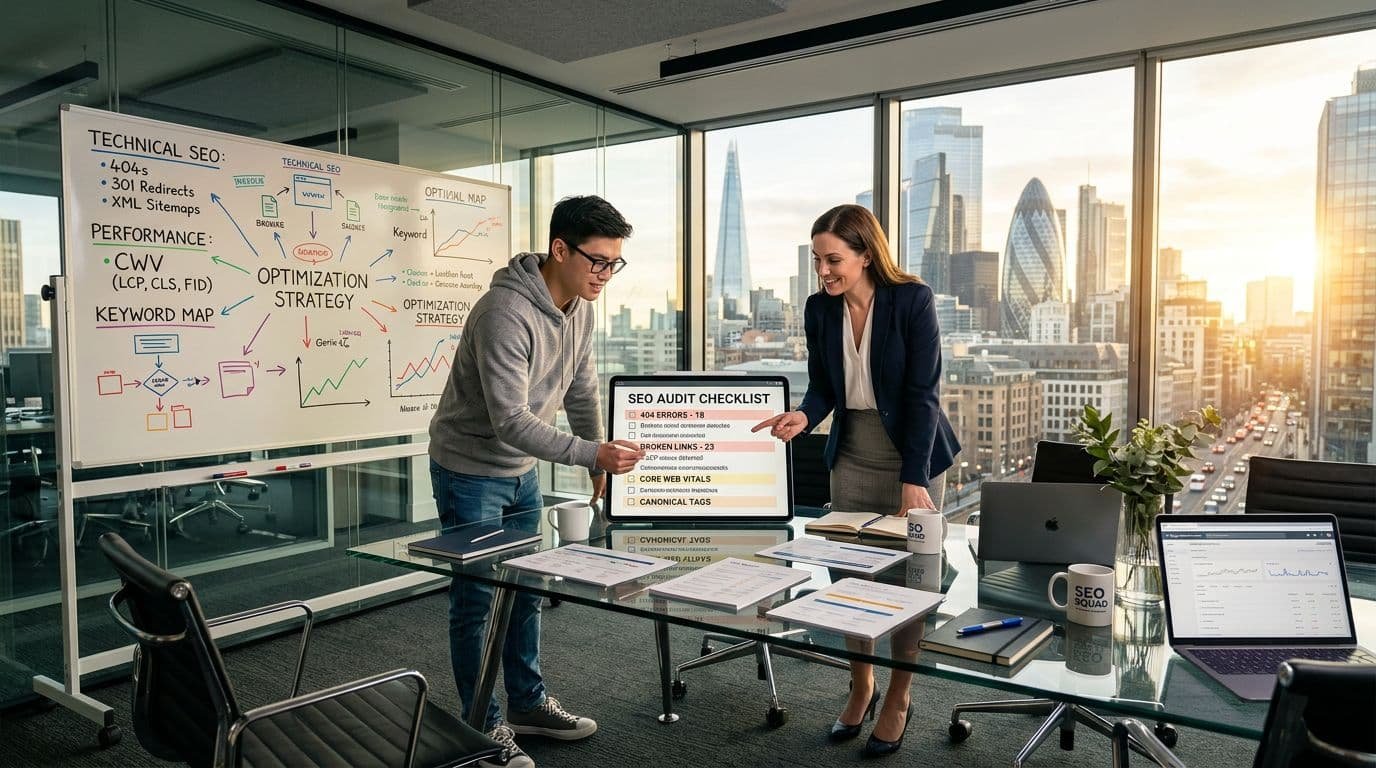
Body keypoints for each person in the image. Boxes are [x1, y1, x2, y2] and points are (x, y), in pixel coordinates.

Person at [428, 195, 644, 768]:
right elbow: (511, 419)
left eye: (614, 263)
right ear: (559, 249)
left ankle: (526, 704)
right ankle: (483, 727)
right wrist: (591, 450)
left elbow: (581, 390)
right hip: (469, 469)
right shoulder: (506, 311)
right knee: (476, 601)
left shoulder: (580, 308)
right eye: (597, 261)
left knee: (524, 592)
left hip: (519, 471)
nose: (605, 274)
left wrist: (595, 458)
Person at [753, 203, 959, 757]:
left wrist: (914, 479)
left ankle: (899, 693)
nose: (824, 270)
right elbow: (824, 385)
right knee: (850, 576)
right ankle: (862, 684)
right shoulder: (819, 308)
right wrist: (804, 414)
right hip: (852, 453)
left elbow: (922, 396)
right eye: (818, 259)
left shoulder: (911, 300)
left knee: (911, 581)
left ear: (867, 254)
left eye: (834, 259)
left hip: (912, 452)